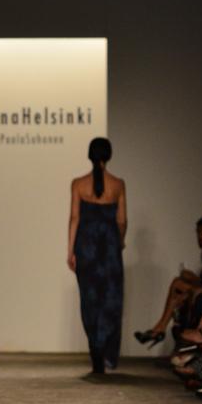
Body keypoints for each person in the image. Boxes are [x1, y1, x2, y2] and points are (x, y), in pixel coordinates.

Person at [68, 137, 125, 374]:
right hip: (109, 247)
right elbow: (122, 220)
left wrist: (71, 250)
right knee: (110, 298)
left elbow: (75, 218)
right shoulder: (118, 184)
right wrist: (119, 242)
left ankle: (95, 349)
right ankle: (103, 344)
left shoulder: (78, 184)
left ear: (90, 155)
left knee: (90, 299)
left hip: (87, 247)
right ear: (108, 155)